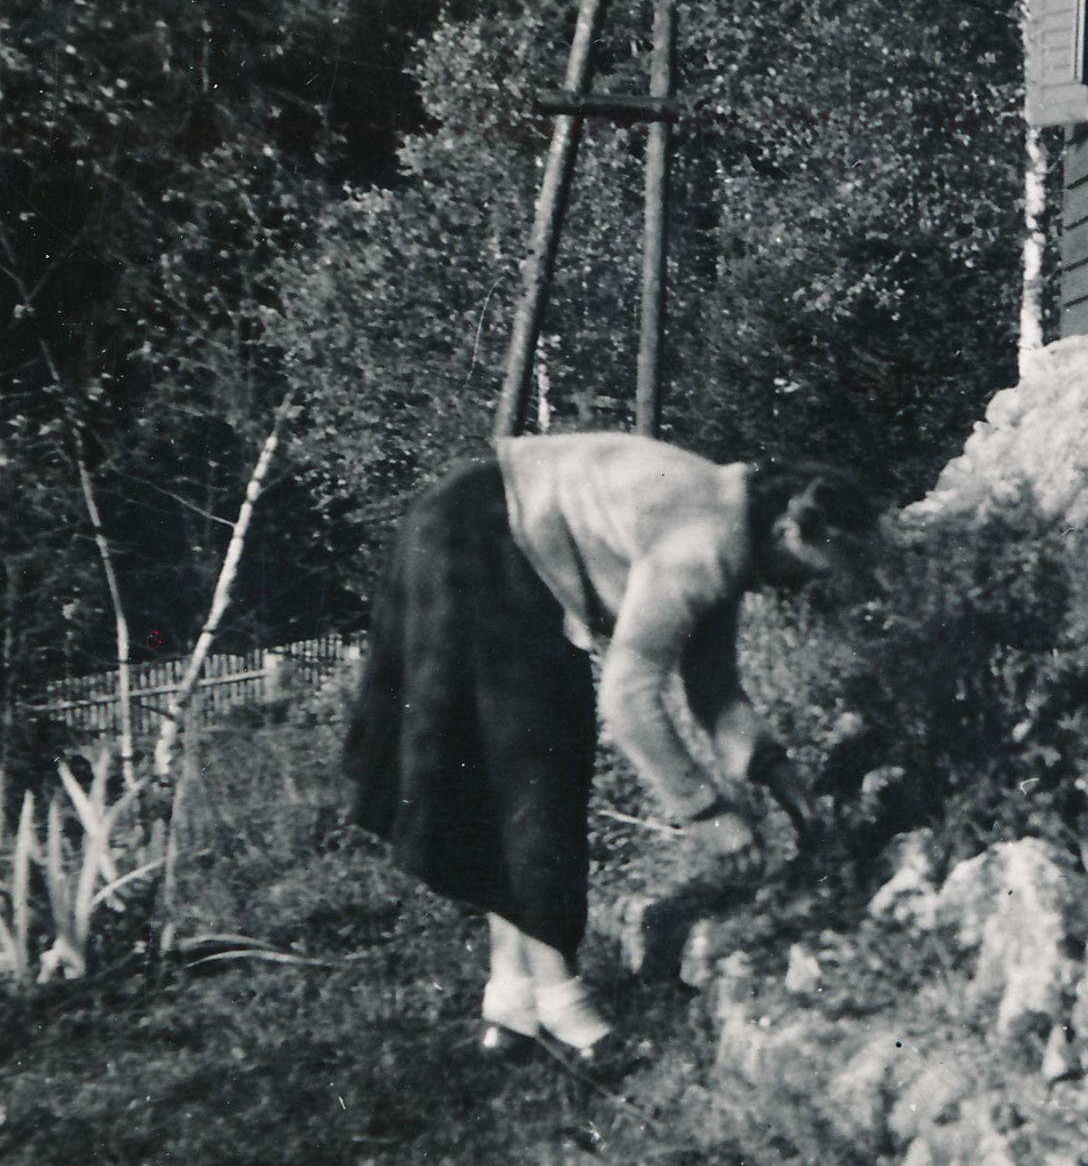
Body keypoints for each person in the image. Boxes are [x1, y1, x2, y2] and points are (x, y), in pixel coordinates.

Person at [344, 432, 877, 1062]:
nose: (806, 583)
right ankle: (567, 1010)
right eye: (819, 563)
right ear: (793, 528)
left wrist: (783, 781)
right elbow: (629, 700)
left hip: (473, 516)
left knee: (513, 769)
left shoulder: (729, 526)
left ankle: (511, 1002)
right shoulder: (705, 543)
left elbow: (714, 690)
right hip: (483, 536)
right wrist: (706, 811)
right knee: (540, 768)